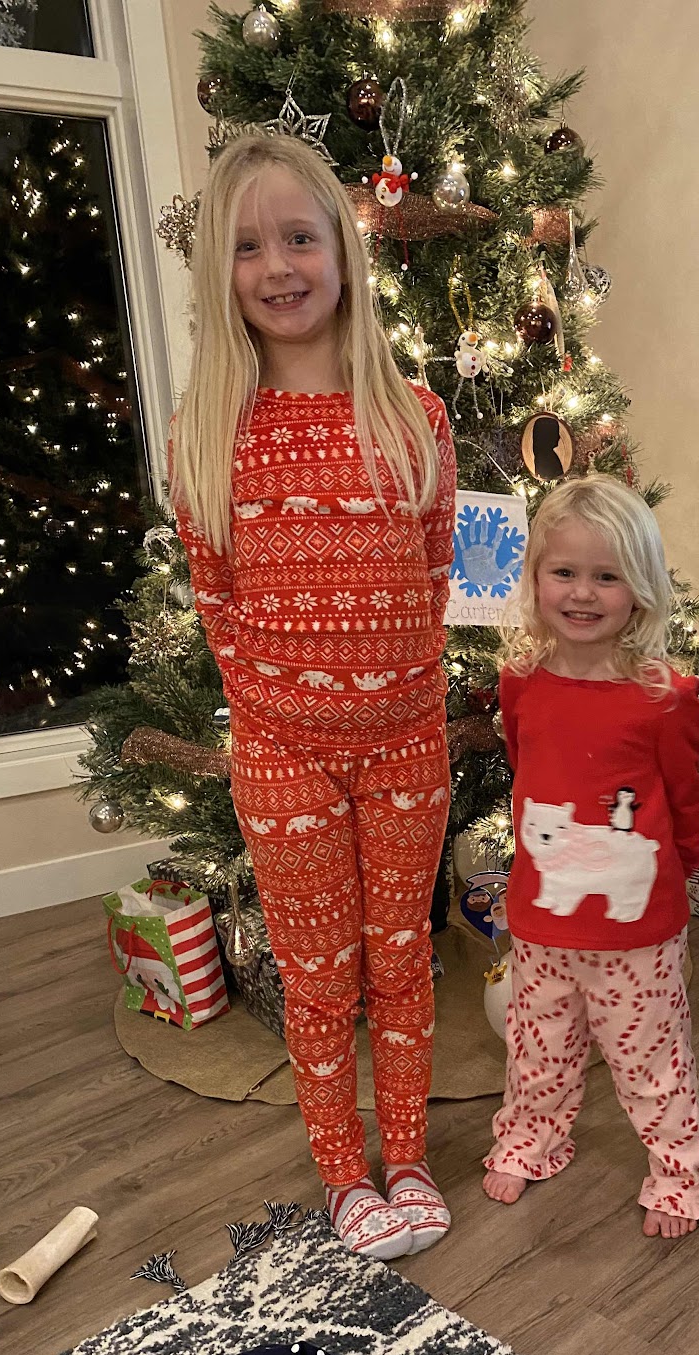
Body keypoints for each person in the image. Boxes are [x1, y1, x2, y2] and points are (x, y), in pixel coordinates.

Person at [169, 134, 457, 1260]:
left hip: (407, 746)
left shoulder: (415, 417)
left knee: (402, 958)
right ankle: (344, 1170)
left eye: (299, 236)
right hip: (283, 754)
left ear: (343, 250)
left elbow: (433, 576)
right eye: (248, 247)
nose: (278, 266)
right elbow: (218, 607)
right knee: (320, 971)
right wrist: (282, 718)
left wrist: (395, 698)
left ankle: (410, 1157)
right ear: (220, 272)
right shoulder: (212, 433)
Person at [482, 475, 699, 1239]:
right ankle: (531, 1137)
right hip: (542, 918)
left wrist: (670, 876)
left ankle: (680, 1173)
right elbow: (528, 774)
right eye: (564, 572)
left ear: (640, 588)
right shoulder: (520, 682)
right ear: (536, 578)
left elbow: (687, 798)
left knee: (651, 1061)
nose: (583, 593)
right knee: (537, 1047)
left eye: (607, 576)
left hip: (637, 931)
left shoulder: (665, 696)